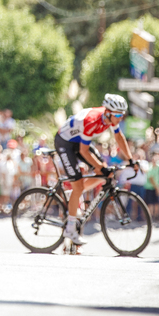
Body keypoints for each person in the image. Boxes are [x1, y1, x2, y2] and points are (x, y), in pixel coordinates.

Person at [54, 93, 134, 245]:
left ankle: (75, 194)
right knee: (87, 178)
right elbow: (84, 152)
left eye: (122, 115)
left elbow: (119, 138)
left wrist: (131, 159)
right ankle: (70, 227)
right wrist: (101, 168)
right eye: (118, 115)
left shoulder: (110, 118)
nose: (120, 118)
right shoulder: (92, 120)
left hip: (78, 142)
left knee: (105, 173)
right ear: (109, 112)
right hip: (64, 143)